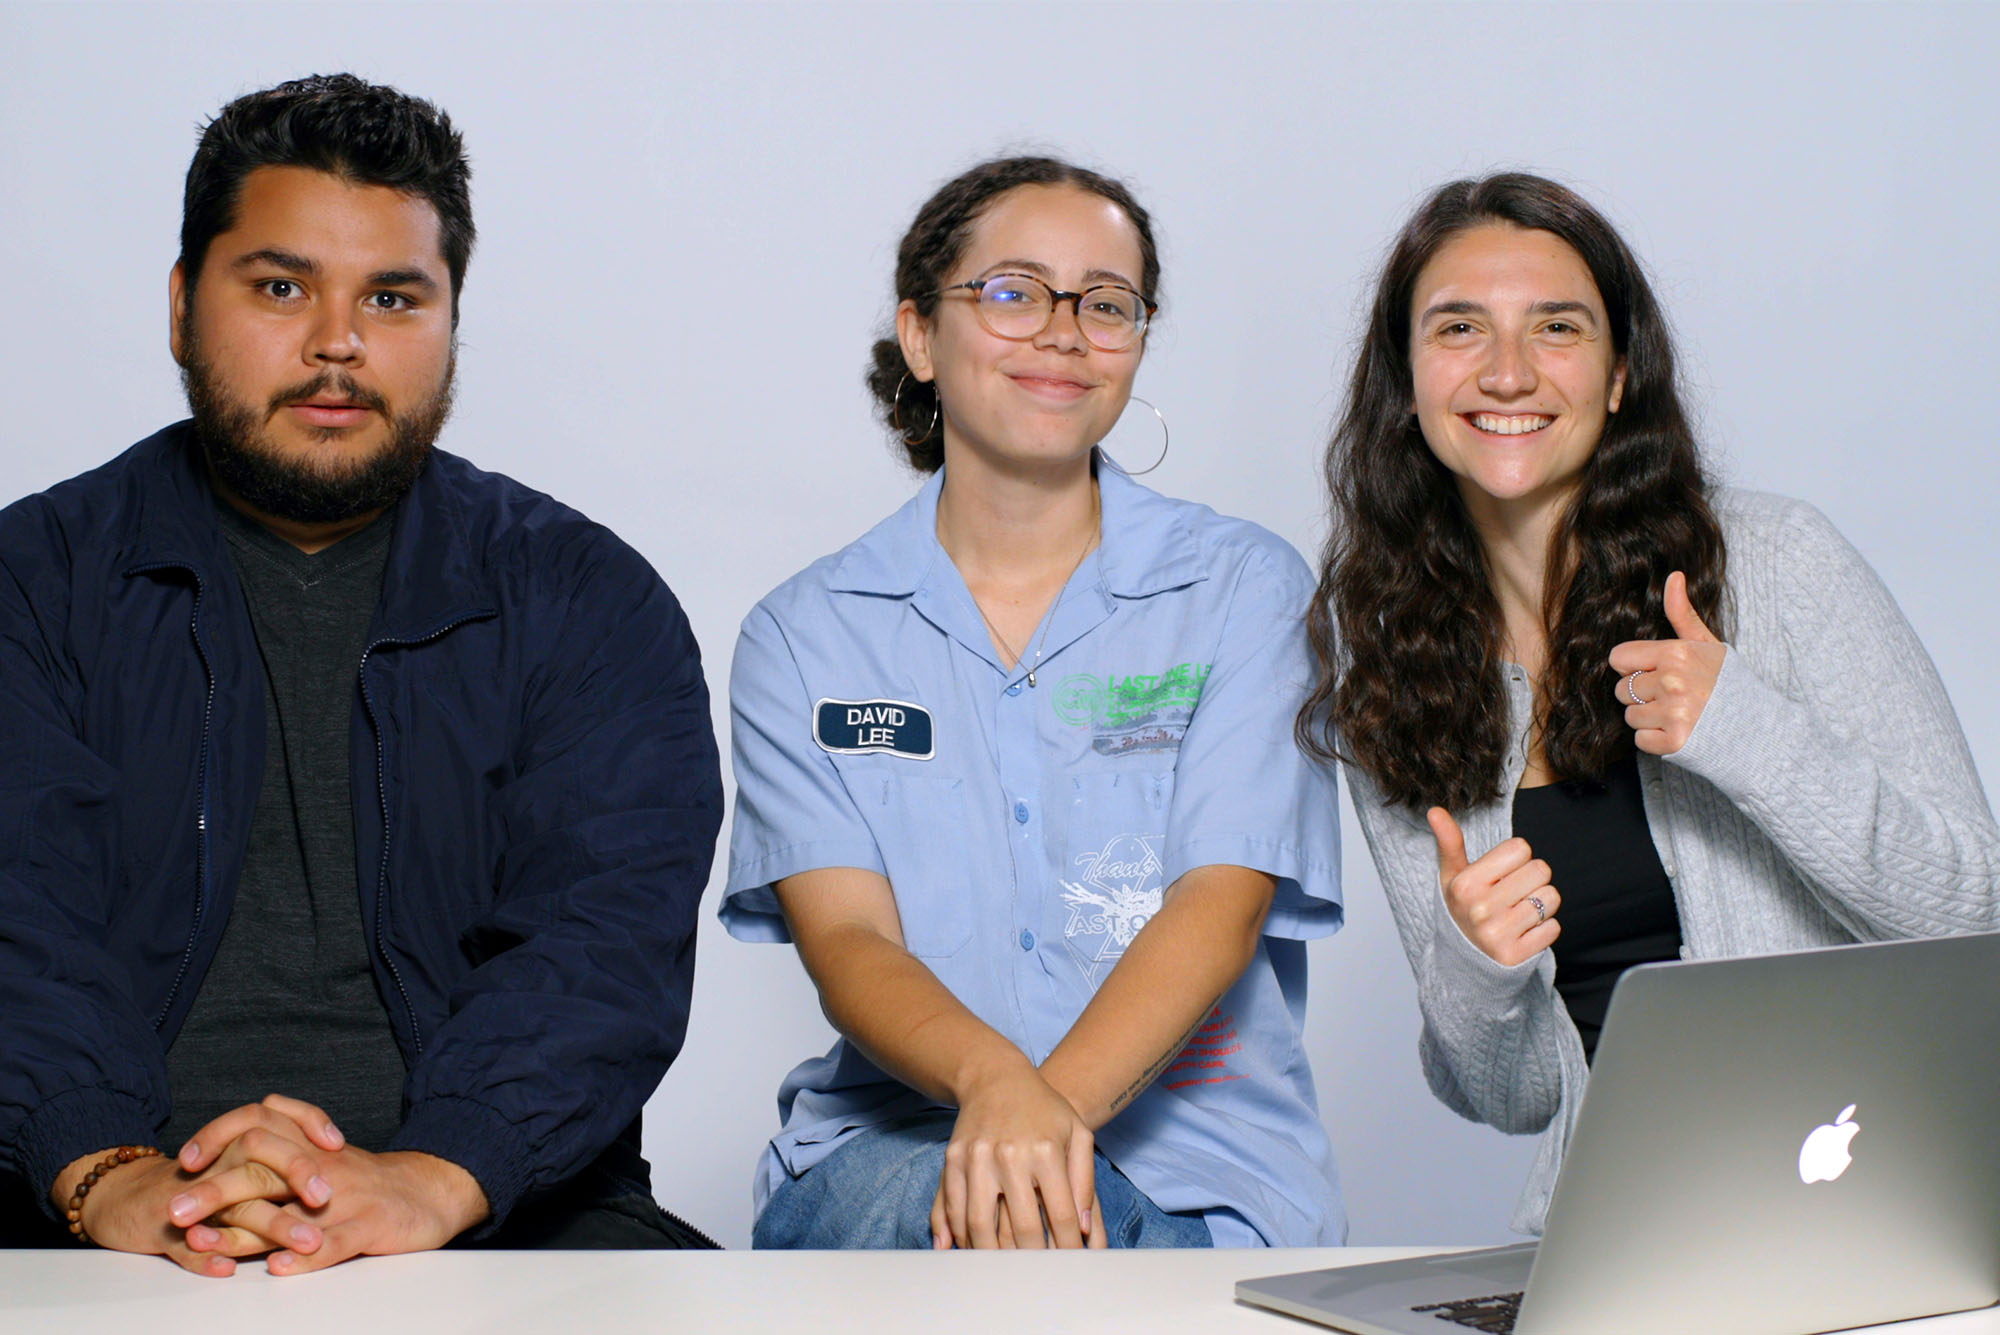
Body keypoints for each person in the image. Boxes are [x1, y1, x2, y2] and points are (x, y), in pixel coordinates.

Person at [0, 74, 723, 1272]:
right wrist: (109, 1174)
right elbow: (14, 916)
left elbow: (604, 941)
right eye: (280, 287)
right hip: (71, 1205)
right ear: (183, 306)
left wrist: (438, 1176)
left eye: (391, 297)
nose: (337, 342)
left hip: (502, 1208)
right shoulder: (31, 582)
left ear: (449, 319)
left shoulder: (585, 596)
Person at [1297, 171, 2000, 1233]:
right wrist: (1479, 965)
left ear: (1619, 373)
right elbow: (1509, 1097)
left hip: (1878, 1196)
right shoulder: (1386, 642)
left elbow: (1972, 916)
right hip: (1621, 1228)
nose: (1506, 371)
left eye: (1556, 327)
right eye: (1457, 328)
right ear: (1403, 379)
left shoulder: (1775, 564)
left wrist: (1745, 731)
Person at [720, 156, 1344, 1250]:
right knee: (999, 1232)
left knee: (1062, 1231)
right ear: (920, 336)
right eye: (1011, 292)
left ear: (1136, 343)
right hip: (891, 1157)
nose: (1063, 331)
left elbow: (1218, 904)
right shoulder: (804, 635)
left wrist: (1036, 1125)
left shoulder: (1243, 591)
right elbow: (850, 937)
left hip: (1201, 1175)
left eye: (1104, 304)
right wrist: (992, 1089)